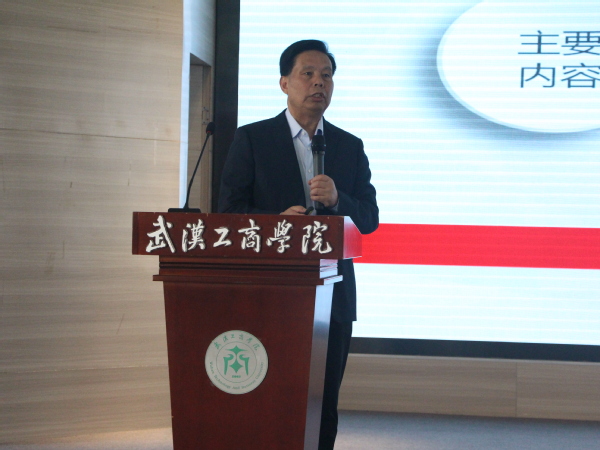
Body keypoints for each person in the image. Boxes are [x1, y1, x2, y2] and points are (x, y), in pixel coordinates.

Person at [218, 39, 378, 449]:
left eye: (327, 75)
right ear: (284, 83)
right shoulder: (252, 139)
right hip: (270, 295)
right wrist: (275, 223)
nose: (319, 83)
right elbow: (229, 213)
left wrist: (339, 200)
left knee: (323, 403)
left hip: (333, 297)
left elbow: (370, 219)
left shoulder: (349, 146)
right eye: (308, 74)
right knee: (269, 397)